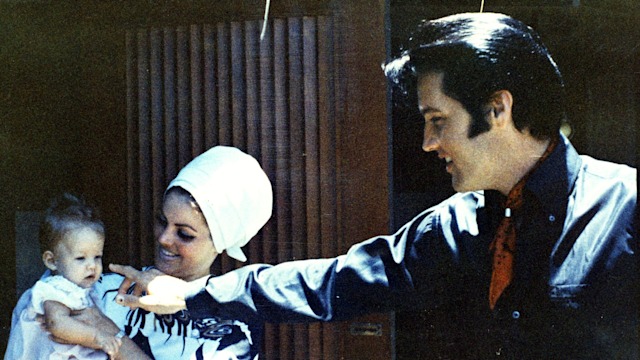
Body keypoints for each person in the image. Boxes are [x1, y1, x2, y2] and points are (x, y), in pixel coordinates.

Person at [111, 13, 637, 359]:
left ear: (498, 108)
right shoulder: (459, 225)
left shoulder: (627, 209)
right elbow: (332, 282)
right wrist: (193, 295)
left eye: (437, 120)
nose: (429, 144)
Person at [5, 193, 122, 360]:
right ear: (52, 261)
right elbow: (56, 323)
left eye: (97, 257)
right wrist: (97, 337)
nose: (92, 265)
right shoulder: (54, 288)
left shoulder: (83, 289)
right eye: (81, 258)